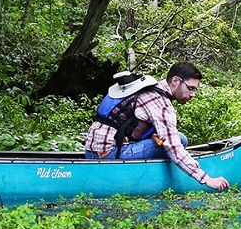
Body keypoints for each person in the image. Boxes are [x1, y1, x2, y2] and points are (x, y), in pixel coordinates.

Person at [84, 62, 230, 190]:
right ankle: (156, 179)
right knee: (179, 141)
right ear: (175, 81)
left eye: (195, 90)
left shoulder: (147, 90)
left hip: (91, 153)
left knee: (179, 138)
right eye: (190, 88)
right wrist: (207, 179)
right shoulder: (160, 103)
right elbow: (173, 147)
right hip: (108, 156)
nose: (192, 94)